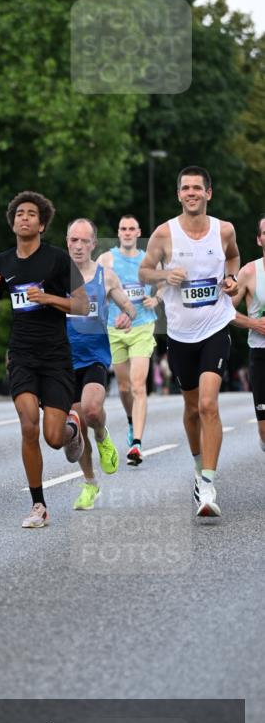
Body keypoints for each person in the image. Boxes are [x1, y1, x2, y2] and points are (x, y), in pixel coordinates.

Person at [0, 191, 89, 528]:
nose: (24, 218)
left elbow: (84, 305)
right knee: (29, 425)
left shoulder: (57, 259)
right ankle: (38, 505)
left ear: (41, 224)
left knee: (53, 438)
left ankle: (73, 431)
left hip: (55, 356)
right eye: (19, 214)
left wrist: (49, 297)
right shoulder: (3, 262)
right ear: (13, 222)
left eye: (31, 214)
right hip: (22, 354)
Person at [139, 165, 239, 517]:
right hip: (180, 334)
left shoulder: (224, 230)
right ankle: (198, 467)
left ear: (208, 193)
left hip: (215, 326)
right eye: (186, 188)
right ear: (179, 194)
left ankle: (208, 484)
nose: (192, 193)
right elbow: (144, 271)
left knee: (210, 404)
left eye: (198, 188)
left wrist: (231, 279)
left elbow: (232, 257)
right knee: (193, 407)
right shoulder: (164, 234)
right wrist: (166, 273)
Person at [66, 219, 137, 510]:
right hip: (62, 361)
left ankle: (103, 435)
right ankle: (89, 482)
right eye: (73, 240)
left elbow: (127, 304)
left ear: (94, 244)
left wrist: (127, 315)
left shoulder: (105, 276)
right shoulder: (57, 276)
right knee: (76, 424)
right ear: (67, 242)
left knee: (93, 412)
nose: (79, 246)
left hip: (95, 357)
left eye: (84, 241)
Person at [97, 215, 160, 465]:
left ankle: (137, 444)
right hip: (115, 328)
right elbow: (94, 285)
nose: (127, 232)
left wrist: (156, 299)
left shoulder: (148, 259)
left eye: (132, 228)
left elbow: (165, 284)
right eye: (123, 228)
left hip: (143, 325)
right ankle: (132, 421)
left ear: (138, 232)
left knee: (138, 385)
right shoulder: (107, 259)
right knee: (123, 388)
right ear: (118, 232)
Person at [230, 214, 265, 451]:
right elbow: (226, 312)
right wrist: (255, 324)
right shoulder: (249, 272)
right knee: (264, 431)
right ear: (259, 239)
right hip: (261, 355)